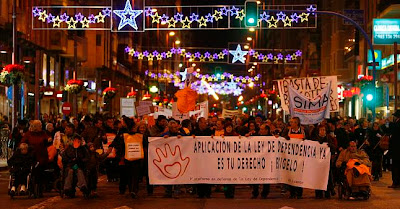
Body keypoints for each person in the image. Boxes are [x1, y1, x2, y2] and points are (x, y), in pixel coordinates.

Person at [21, 120, 51, 197]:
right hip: (30, 158)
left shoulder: (43, 134)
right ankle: (30, 188)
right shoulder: (28, 134)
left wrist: (48, 140)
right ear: (35, 127)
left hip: (42, 157)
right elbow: (22, 143)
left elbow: (47, 140)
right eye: (40, 126)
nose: (41, 127)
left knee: (40, 170)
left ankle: (39, 188)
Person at [283, 117, 306, 199]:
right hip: (290, 157)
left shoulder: (303, 131)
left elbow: (308, 141)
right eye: (290, 122)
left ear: (297, 123)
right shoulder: (287, 131)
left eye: (292, 122)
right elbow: (282, 139)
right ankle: (292, 193)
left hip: (300, 157)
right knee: (291, 174)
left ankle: (299, 193)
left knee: (299, 174)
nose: (291, 124)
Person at [162, 120, 185, 198]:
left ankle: (176, 191)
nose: (175, 128)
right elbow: (159, 141)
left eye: (176, 127)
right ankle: (168, 191)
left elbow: (187, 141)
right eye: (173, 127)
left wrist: (182, 137)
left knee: (178, 174)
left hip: (178, 158)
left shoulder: (180, 134)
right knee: (168, 175)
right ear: (170, 128)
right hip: (168, 158)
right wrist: (164, 138)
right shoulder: (165, 135)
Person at [313, 125, 336, 199]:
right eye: (321, 130)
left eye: (324, 130)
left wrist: (330, 146)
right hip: (317, 162)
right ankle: (318, 193)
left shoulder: (329, 138)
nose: (322, 131)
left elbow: (334, 148)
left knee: (327, 177)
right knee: (318, 177)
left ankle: (327, 192)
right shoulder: (315, 139)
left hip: (326, 162)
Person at [193, 117, 213, 198]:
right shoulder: (194, 132)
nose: (205, 124)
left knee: (208, 174)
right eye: (204, 122)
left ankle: (208, 192)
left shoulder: (209, 131)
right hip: (198, 157)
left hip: (207, 157)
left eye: (206, 122)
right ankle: (200, 193)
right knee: (199, 175)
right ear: (200, 123)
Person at [251, 124, 271, 199]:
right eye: (260, 129)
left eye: (262, 129)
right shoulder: (256, 136)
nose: (261, 131)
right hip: (257, 159)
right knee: (256, 176)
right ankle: (255, 192)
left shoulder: (271, 137)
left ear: (266, 130)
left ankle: (265, 193)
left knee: (266, 177)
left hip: (267, 160)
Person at [388, 110, 400, 188]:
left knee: (395, 166)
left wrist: (390, 123)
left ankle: (396, 182)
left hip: (396, 149)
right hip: (396, 149)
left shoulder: (396, 124)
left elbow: (391, 131)